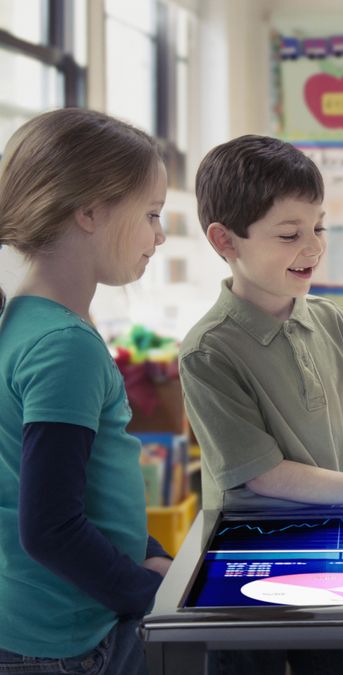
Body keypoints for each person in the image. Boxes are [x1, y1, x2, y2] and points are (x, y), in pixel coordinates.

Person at [181, 134, 343, 675]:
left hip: (329, 545)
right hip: (247, 559)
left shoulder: (328, 320)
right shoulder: (209, 351)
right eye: (289, 234)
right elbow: (264, 476)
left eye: (319, 226)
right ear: (224, 239)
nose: (313, 246)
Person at [0, 108, 173, 674]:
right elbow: (50, 527)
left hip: (46, 619)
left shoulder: (29, 322)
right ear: (91, 210)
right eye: (151, 214)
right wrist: (152, 597)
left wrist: (147, 553)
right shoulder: (63, 345)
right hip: (68, 636)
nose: (160, 235)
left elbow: (80, 486)